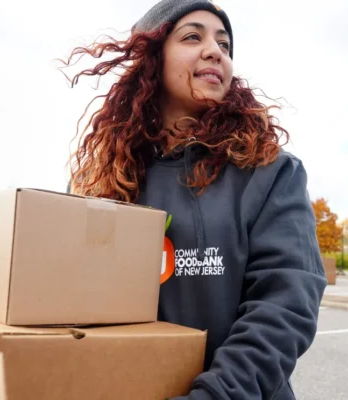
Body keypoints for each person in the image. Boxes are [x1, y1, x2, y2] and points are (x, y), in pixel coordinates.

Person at [63, 0, 328, 398]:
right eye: (192, 36)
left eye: (224, 45)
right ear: (151, 58)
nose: (215, 51)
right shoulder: (104, 181)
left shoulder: (270, 172)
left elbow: (284, 307)